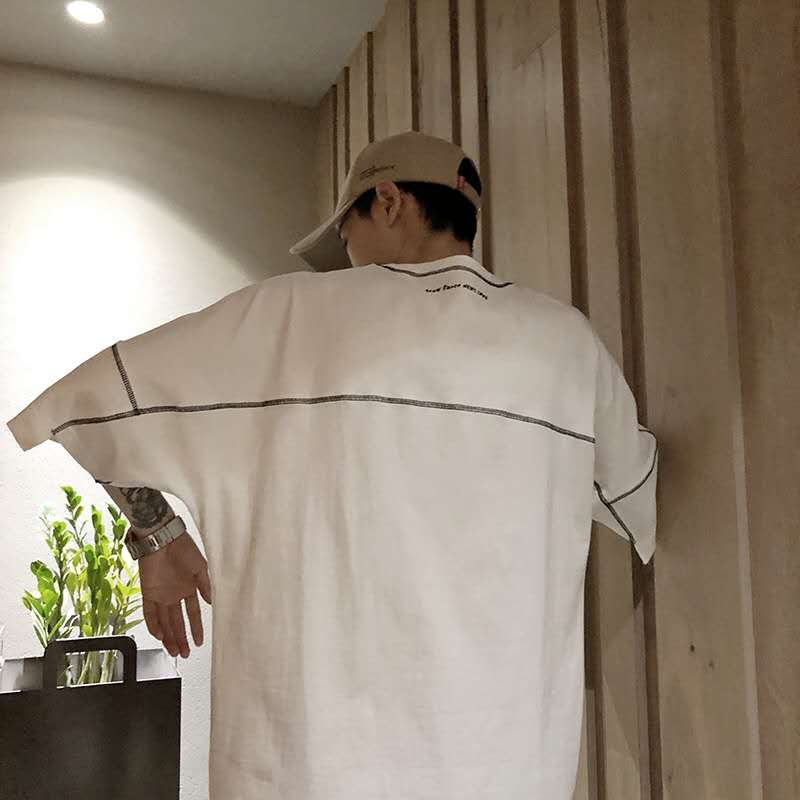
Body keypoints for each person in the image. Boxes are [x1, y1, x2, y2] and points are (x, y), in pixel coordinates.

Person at [7, 130, 658, 799]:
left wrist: (158, 533)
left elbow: (86, 404)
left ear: (388, 201)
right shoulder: (567, 344)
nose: (345, 261)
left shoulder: (289, 315)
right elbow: (636, 492)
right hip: (513, 771)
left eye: (346, 237)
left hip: (306, 773)